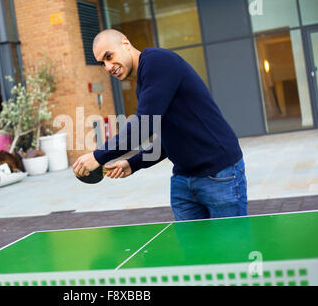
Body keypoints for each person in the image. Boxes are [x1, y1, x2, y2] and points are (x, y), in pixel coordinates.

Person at [72, 29, 247, 221]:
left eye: (109, 56)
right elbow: (169, 137)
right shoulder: (144, 84)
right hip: (183, 180)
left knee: (232, 249)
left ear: (125, 43)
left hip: (220, 174)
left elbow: (143, 125)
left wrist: (98, 156)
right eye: (102, 63)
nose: (108, 67)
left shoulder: (158, 62)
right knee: (193, 250)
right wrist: (134, 163)